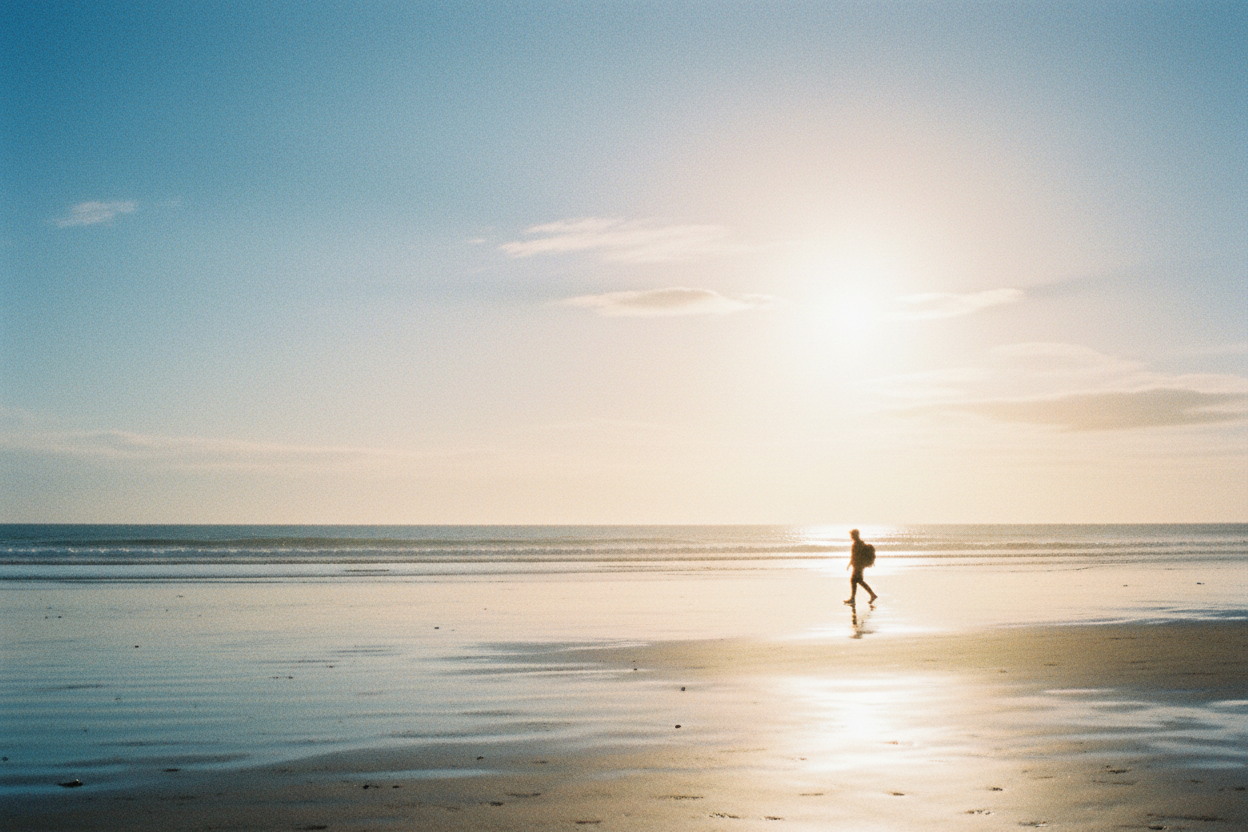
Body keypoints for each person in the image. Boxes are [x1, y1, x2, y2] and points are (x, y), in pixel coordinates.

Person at [844, 528, 878, 605]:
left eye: (852, 535)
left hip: (858, 565)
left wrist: (852, 563)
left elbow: (855, 555)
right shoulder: (859, 543)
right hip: (859, 565)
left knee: (855, 580)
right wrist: (850, 563)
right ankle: (871, 595)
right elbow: (854, 555)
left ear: (855, 535)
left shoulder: (857, 544)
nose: (851, 536)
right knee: (858, 581)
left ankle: (854, 598)